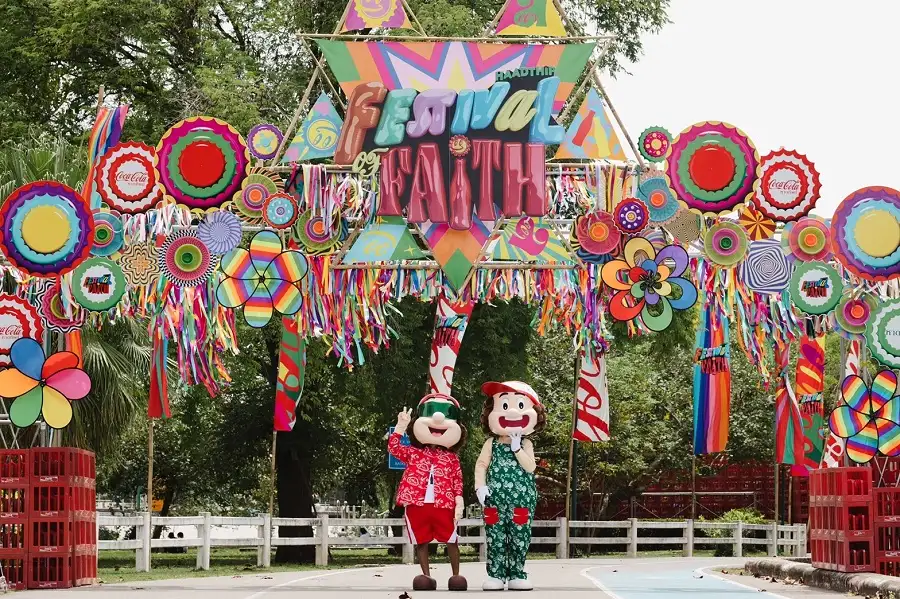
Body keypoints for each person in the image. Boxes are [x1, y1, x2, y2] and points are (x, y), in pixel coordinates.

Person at [388, 393, 467, 591]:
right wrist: (400, 427)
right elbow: (394, 448)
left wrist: (459, 500)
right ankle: (426, 575)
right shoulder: (414, 453)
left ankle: (456, 575)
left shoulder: (451, 457)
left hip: (444, 503)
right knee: (421, 540)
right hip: (417, 502)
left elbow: (457, 480)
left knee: (451, 539)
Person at [474, 381, 546, 591]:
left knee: (519, 535)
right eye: (504, 406)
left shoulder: (526, 444)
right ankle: (495, 575)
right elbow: (481, 465)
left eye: (520, 405)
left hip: (522, 500)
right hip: (493, 499)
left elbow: (530, 467)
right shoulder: (491, 443)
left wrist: (517, 449)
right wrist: (480, 486)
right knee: (494, 536)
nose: (512, 412)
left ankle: (517, 573)